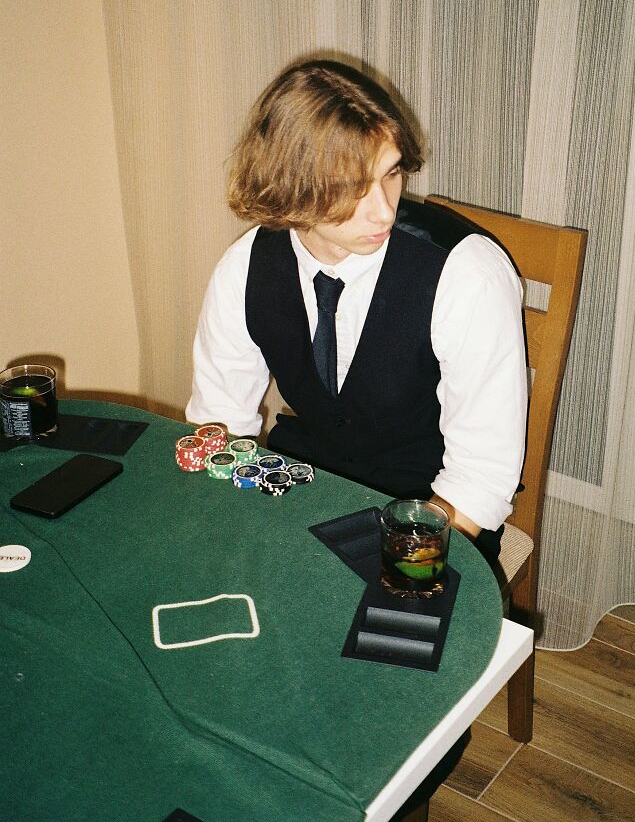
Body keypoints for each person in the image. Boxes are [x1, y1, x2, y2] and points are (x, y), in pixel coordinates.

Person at [186, 58, 527, 563]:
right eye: (350, 188)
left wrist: (396, 560)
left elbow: (480, 477)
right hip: (301, 486)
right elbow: (219, 419)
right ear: (289, 185)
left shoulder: (467, 274)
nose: (384, 210)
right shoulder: (245, 267)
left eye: (390, 175)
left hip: (430, 511)